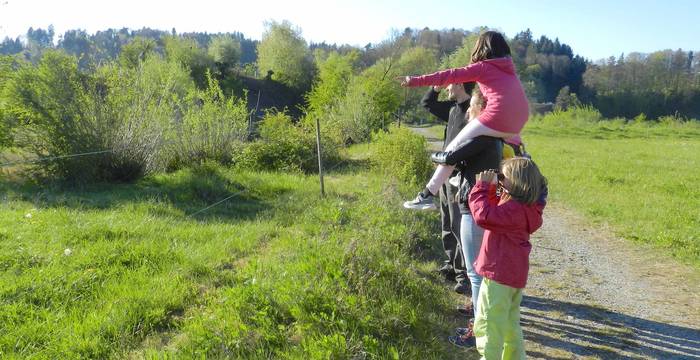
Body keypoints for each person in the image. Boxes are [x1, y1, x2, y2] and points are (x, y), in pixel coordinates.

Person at [400, 31, 529, 210]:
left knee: (454, 147)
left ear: (481, 48)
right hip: (519, 120)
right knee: (486, 146)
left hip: (497, 115)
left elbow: (449, 75)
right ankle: (497, 192)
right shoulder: (510, 70)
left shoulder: (484, 67)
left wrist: (413, 80)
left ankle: (427, 195)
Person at [450, 157, 547, 357]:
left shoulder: (513, 210)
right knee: (510, 324)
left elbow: (483, 216)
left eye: (504, 177)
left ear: (518, 182)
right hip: (513, 277)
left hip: (498, 276)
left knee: (488, 323)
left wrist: (482, 187)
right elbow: (495, 213)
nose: (500, 179)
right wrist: (495, 190)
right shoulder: (525, 207)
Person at [444, 88, 503, 347]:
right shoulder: (496, 134)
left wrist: (442, 157)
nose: (467, 111)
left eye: (472, 107)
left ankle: (479, 333)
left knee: (476, 274)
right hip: (486, 205)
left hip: (474, 207)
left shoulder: (482, 135)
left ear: (480, 108)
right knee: (482, 272)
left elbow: (449, 156)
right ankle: (484, 324)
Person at [417, 82, 474, 294]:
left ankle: (463, 275)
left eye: (450, 84)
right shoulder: (452, 109)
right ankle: (451, 265)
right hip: (444, 175)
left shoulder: (473, 111)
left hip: (460, 177)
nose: (448, 87)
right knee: (447, 222)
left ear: (460, 85)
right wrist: (436, 86)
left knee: (459, 225)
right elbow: (427, 103)